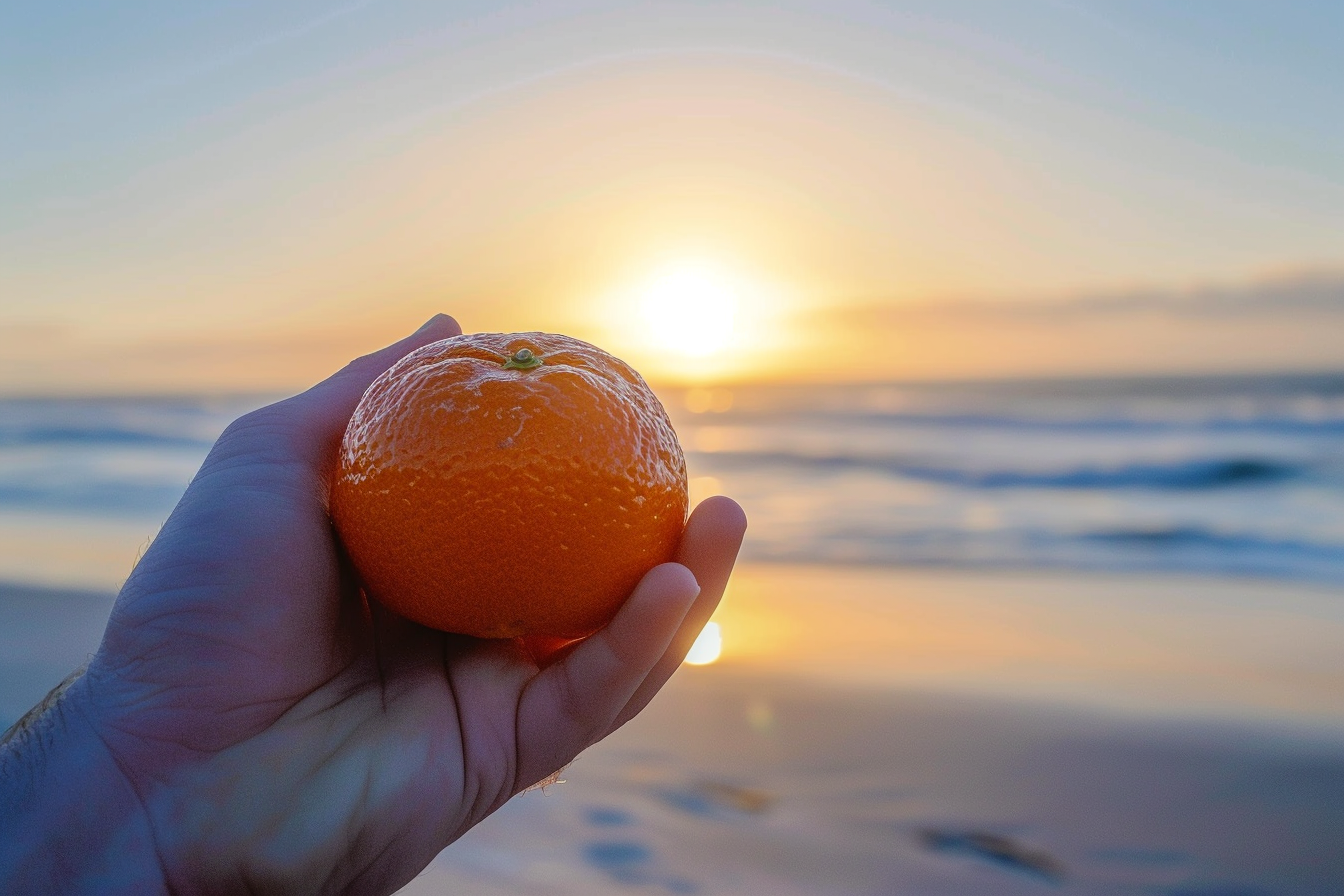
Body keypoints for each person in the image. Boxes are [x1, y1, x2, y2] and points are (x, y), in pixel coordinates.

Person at [0, 315, 747, 895]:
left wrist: (120, 771)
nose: (520, 365)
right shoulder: (416, 396)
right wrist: (137, 751)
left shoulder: (571, 404)